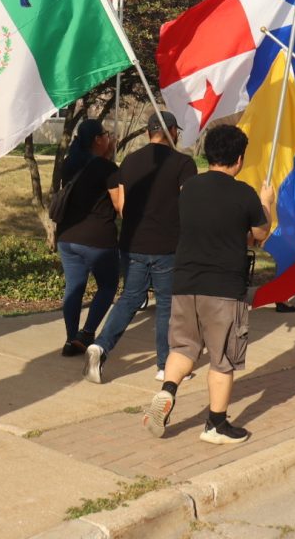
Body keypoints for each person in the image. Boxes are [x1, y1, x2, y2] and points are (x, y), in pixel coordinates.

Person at [141, 124, 272, 444]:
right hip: (224, 288)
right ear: (239, 159)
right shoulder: (245, 194)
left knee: (184, 347)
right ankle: (216, 424)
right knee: (222, 358)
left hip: (185, 282)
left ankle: (168, 391)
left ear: (208, 153)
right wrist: (268, 202)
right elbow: (259, 235)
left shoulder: (188, 189)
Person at [83, 111, 197, 384]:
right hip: (167, 244)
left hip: (133, 242)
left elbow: (121, 206)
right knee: (167, 304)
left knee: (130, 299)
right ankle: (164, 365)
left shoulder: (130, 161)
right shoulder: (184, 163)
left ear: (148, 132)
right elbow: (189, 204)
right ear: (173, 131)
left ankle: (101, 346)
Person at [55, 119, 120, 357]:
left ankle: (71, 338)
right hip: (97, 238)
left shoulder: (69, 164)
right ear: (97, 140)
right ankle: (88, 333)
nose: (109, 138)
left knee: (74, 287)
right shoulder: (107, 169)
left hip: (67, 235)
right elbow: (119, 204)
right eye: (106, 134)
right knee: (108, 285)